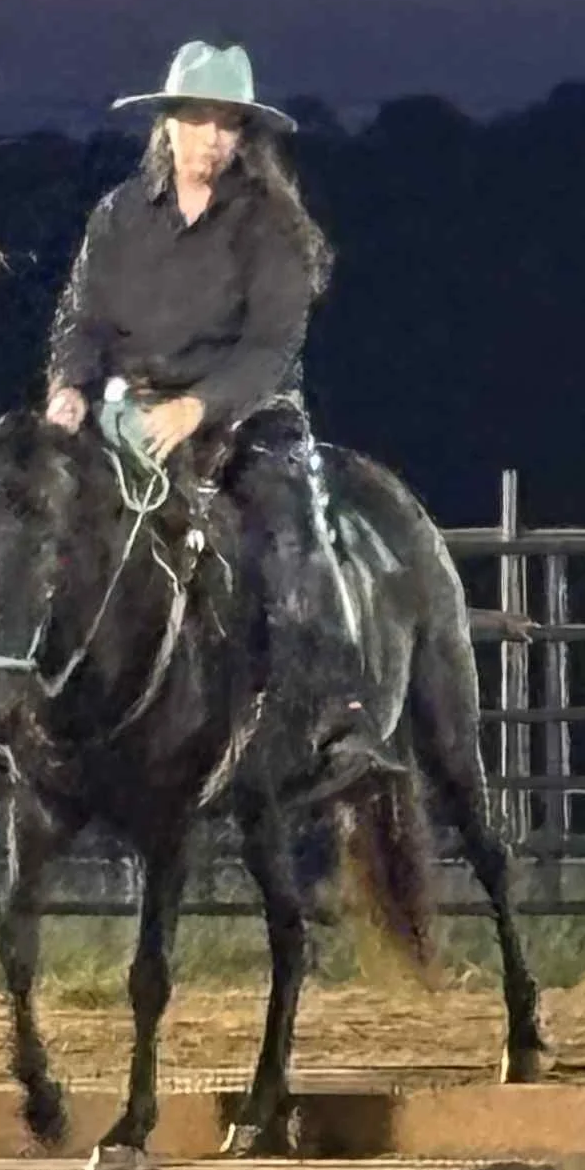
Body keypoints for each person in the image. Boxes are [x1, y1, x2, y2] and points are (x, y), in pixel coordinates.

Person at [44, 39, 402, 803]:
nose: (210, 138)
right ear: (166, 124)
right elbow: (82, 318)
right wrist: (69, 387)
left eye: (226, 123)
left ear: (244, 135)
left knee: (289, 527)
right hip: (133, 410)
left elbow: (270, 347)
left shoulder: (270, 225)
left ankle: (341, 712)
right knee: (35, 516)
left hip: (248, 414)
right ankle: (20, 709)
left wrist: (198, 406)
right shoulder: (118, 217)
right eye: (197, 120)